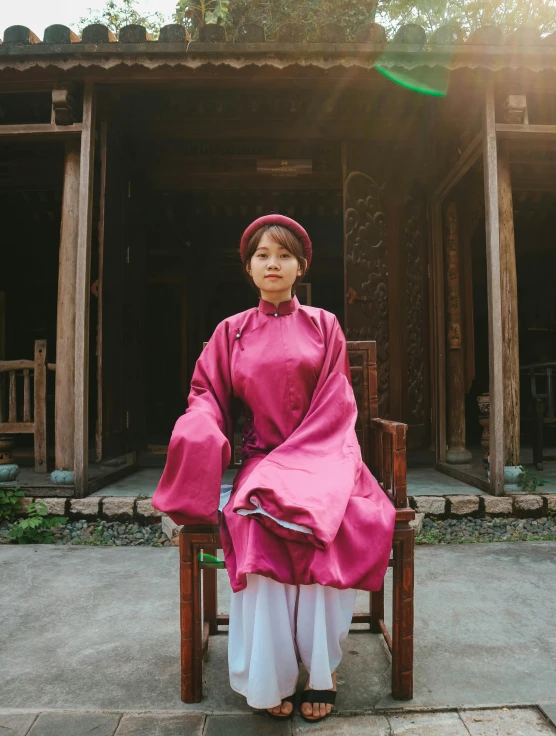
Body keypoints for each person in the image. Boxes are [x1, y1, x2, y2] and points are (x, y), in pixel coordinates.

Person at [152, 214, 396, 722]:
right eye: (263, 255)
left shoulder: (324, 324)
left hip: (325, 455)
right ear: (248, 267)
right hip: (262, 461)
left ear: (300, 266)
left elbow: (336, 403)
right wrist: (198, 427)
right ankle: (271, 677)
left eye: (284, 255)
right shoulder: (230, 332)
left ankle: (322, 674)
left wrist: (308, 459)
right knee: (255, 518)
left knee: (337, 520)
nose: (273, 264)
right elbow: (207, 395)